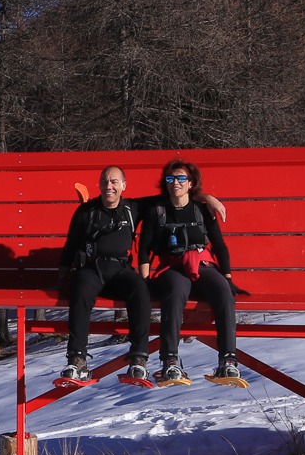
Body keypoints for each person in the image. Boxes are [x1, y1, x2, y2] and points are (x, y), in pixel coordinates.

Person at [138, 160, 241, 385]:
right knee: (174, 292)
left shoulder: (202, 210)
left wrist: (228, 277)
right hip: (172, 265)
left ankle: (228, 359)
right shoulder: (157, 211)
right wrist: (144, 279)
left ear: (191, 183)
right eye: (171, 178)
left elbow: (219, 245)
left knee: (224, 293)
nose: (176, 182)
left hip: (202, 263)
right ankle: (170, 360)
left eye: (181, 178)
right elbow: (144, 248)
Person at [57, 165, 151, 383]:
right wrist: (62, 279)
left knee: (139, 288)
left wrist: (207, 198)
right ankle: (76, 358)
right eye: (105, 182)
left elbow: (169, 197)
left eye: (114, 182)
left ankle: (139, 358)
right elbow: (70, 246)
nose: (109, 186)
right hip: (92, 270)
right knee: (80, 288)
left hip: (120, 271)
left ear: (124, 185)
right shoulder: (86, 211)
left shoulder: (132, 208)